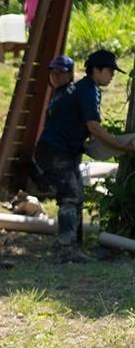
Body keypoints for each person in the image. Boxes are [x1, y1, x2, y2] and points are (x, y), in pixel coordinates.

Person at [34, 48, 135, 261]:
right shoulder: (88, 89)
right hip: (56, 150)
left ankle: (74, 246)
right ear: (96, 70)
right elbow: (94, 127)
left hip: (60, 149)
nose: (112, 75)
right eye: (110, 71)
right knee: (70, 196)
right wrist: (120, 146)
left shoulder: (78, 88)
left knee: (76, 194)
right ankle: (66, 249)